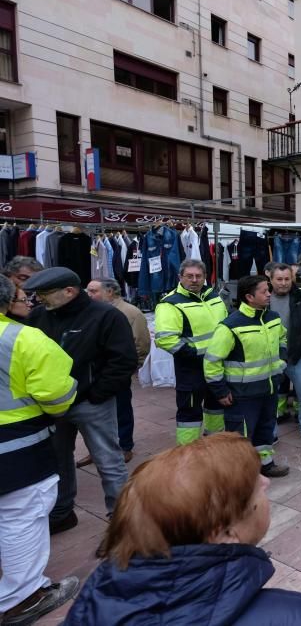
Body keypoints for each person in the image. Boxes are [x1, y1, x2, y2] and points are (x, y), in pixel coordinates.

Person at [66, 433, 301, 625]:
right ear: (224, 533)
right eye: (254, 489)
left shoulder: (90, 602)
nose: (265, 483)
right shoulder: (299, 617)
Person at [23, 267, 136, 535]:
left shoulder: (106, 316)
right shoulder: (38, 316)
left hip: (91, 404)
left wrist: (96, 394)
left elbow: (123, 361)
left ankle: (123, 524)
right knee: (58, 461)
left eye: (45, 293)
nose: (38, 299)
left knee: (109, 462)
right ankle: (62, 513)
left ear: (70, 292)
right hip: (51, 405)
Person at [0, 275, 81, 625]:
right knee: (22, 519)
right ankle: (22, 599)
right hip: (17, 452)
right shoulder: (23, 338)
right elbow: (57, 398)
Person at [205, 276, 290, 478]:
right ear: (249, 297)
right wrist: (220, 390)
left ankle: (265, 464)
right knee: (239, 436)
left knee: (266, 427)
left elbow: (283, 339)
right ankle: (237, 476)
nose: (269, 294)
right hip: (242, 394)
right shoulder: (229, 326)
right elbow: (212, 361)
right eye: (263, 291)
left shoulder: (273, 318)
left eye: (268, 290)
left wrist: (282, 360)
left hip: (268, 389)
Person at [154, 259, 229, 446]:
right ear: (180, 277)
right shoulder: (170, 303)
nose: (194, 280)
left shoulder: (213, 295)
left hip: (217, 365)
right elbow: (166, 339)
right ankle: (188, 453)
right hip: (191, 368)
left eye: (199, 276)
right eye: (190, 276)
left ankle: (214, 444)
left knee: (216, 406)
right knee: (190, 413)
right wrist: (197, 355)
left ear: (204, 277)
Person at [82, 278, 150, 465]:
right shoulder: (89, 311)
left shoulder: (130, 312)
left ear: (110, 291)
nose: (89, 295)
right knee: (94, 414)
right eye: (87, 291)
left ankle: (124, 446)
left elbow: (142, 342)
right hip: (93, 372)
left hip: (117, 371)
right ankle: (97, 449)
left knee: (121, 409)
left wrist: (132, 367)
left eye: (93, 291)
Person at [267, 264, 301, 448]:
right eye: (279, 279)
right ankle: (270, 433)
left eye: (287, 279)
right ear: (271, 279)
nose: (283, 283)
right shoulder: (263, 298)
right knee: (270, 398)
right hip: (270, 358)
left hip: (298, 356)